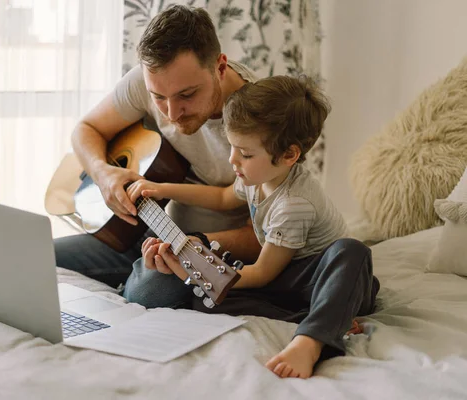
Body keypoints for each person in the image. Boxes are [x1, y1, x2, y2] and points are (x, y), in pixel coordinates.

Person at [125, 75, 380, 379]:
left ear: (289, 155)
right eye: (232, 147)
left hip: (330, 279)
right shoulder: (255, 178)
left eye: (244, 154)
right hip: (288, 280)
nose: (234, 160)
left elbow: (261, 273)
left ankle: (311, 340)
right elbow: (221, 197)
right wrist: (164, 189)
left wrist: (200, 271)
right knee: (205, 300)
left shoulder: (295, 204)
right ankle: (327, 315)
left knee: (352, 251)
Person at [54, 5, 263, 300]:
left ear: (220, 67)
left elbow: (266, 236)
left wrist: (192, 243)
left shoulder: (263, 122)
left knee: (146, 294)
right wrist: (102, 173)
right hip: (145, 228)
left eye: (187, 95)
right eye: (158, 97)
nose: (172, 113)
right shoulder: (147, 80)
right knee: (38, 257)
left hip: (207, 247)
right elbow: (86, 129)